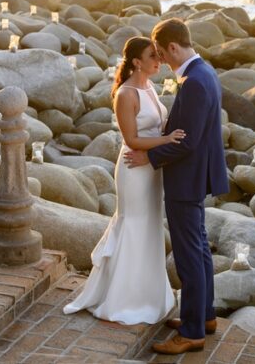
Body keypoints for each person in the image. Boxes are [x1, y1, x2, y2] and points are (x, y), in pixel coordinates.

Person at [124, 18, 229, 355]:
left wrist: (150, 159)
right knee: (198, 248)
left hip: (187, 178)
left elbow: (189, 142)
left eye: (162, 55)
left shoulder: (195, 82)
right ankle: (205, 315)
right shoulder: (205, 72)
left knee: (189, 256)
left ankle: (193, 333)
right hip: (197, 175)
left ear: (172, 47)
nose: (163, 63)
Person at [63, 36, 185, 324]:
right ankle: (123, 299)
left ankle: (150, 296)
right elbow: (131, 139)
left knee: (150, 227)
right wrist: (167, 140)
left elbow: (158, 124)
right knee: (132, 225)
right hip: (133, 169)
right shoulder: (126, 94)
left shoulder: (151, 89)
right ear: (136, 62)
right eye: (152, 56)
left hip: (152, 169)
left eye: (158, 55)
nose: (158, 61)